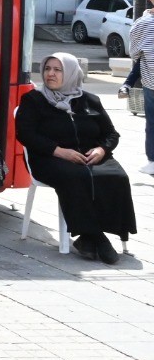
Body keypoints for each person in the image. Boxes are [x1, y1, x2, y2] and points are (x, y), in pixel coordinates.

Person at [16, 53, 136, 265]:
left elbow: (111, 134)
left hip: (90, 156)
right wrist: (59, 151)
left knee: (116, 176)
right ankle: (98, 237)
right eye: (47, 69)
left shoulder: (90, 100)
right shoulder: (34, 100)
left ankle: (88, 239)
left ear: (71, 73)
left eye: (58, 70)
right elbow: (25, 134)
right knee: (74, 176)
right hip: (48, 157)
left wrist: (101, 150)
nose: (50, 74)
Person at [127, 0, 154, 174]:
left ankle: (152, 161)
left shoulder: (143, 24)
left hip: (151, 81)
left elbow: (134, 53)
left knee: (152, 122)